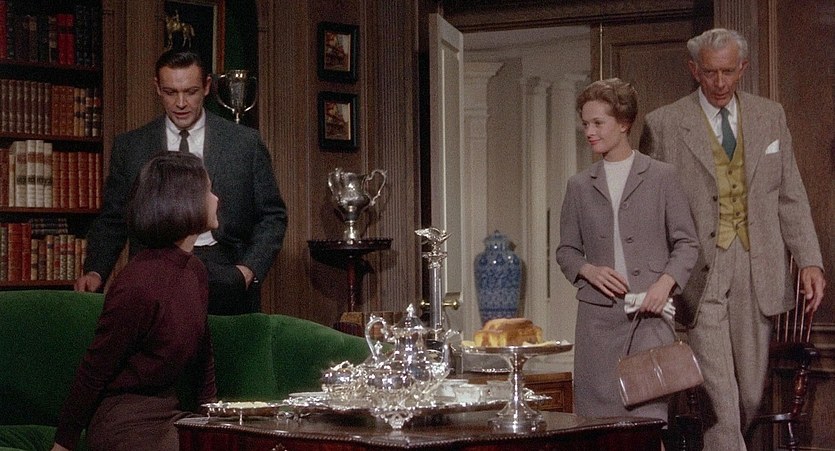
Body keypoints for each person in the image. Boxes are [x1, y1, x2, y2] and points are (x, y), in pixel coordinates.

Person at [640, 28, 827, 450]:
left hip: (757, 268)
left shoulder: (770, 115)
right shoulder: (664, 123)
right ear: (694, 70)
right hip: (698, 272)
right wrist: (658, 276)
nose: (720, 82)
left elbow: (791, 195)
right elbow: (650, 212)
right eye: (710, 72)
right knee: (720, 403)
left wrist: (810, 260)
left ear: (742, 68)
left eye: (728, 71)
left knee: (749, 396)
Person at [75, 50, 288, 315]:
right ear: (157, 88)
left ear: (207, 86)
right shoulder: (131, 147)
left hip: (226, 272)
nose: (181, 103)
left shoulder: (244, 143)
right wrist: (95, 271)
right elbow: (113, 219)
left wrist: (247, 271)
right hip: (154, 274)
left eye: (190, 92)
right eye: (170, 92)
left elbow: (273, 216)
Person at [52, 152, 218, 451]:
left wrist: (212, 422)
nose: (216, 199)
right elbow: (95, 369)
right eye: (208, 191)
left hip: (170, 414)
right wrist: (64, 443)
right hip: (124, 421)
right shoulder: (137, 283)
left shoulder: (195, 271)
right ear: (185, 201)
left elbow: (203, 358)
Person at [556, 79, 699, 426]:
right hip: (597, 326)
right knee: (598, 428)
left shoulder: (662, 177)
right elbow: (566, 251)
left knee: (648, 426)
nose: (589, 132)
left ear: (623, 123)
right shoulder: (579, 186)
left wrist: (664, 284)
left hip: (648, 320)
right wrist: (589, 270)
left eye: (598, 123)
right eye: (585, 124)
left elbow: (687, 243)